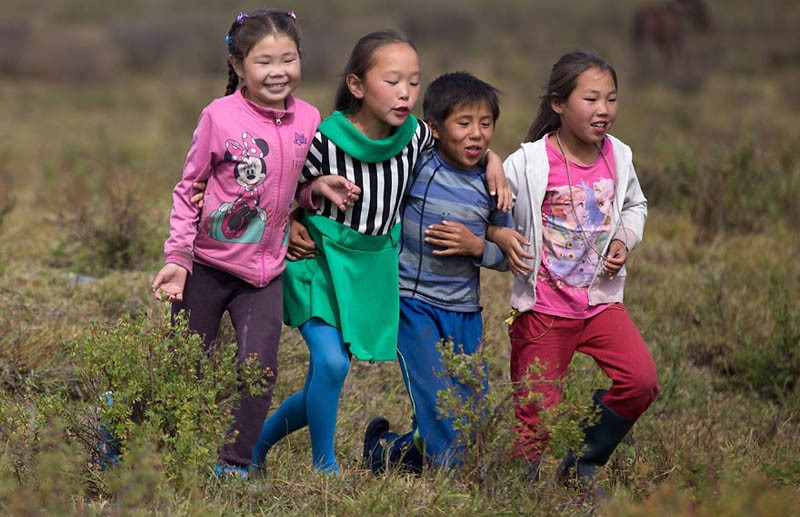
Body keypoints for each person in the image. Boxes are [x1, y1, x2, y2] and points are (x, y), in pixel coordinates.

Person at [248, 31, 511, 477]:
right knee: (330, 364)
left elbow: (460, 145)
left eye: (413, 82)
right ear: (357, 86)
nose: (406, 93)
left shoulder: (414, 138)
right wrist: (296, 212)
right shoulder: (323, 138)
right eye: (392, 82)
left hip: (371, 269)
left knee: (322, 382)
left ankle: (255, 449)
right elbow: (282, 186)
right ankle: (324, 467)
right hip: (320, 261)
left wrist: (495, 161)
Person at [151, 9, 356, 478]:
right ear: (238, 65)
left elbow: (285, 185)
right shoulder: (218, 117)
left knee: (258, 370)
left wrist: (315, 189)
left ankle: (234, 464)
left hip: (264, 274)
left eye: (289, 59)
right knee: (184, 368)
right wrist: (179, 258)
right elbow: (189, 189)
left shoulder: (308, 117)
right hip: (206, 266)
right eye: (264, 61)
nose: (278, 71)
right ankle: (126, 432)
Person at [490, 51, 660, 497]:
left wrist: (624, 239)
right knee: (536, 417)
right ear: (559, 103)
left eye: (611, 99)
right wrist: (495, 236)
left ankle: (582, 462)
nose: (603, 109)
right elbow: (488, 208)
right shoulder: (528, 163)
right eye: (591, 98)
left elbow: (634, 205)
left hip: (599, 303)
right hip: (544, 310)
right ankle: (518, 493)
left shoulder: (619, 155)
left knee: (640, 380)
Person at [361, 72, 512, 473]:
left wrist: (478, 247)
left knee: (470, 406)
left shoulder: (495, 186)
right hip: (413, 305)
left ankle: (386, 452)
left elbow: (511, 254)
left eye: (485, 124)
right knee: (434, 394)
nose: (476, 135)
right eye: (463, 123)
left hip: (465, 312)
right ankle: (454, 477)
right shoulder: (418, 164)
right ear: (435, 129)